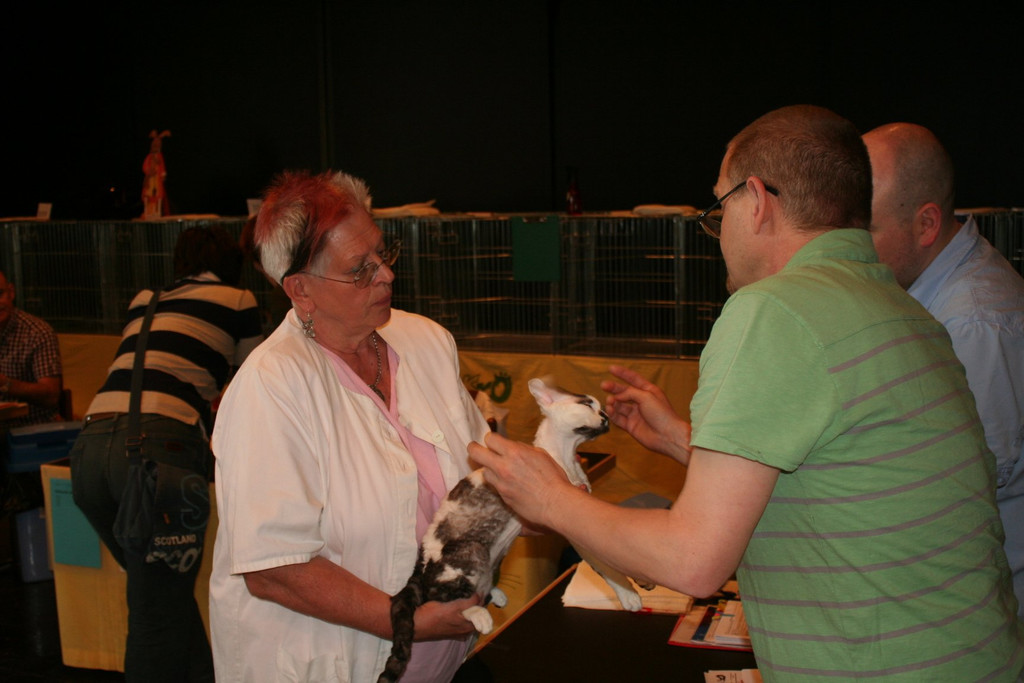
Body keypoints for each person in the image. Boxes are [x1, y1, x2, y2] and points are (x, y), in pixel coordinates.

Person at [470, 105, 1024, 680]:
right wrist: (681, 439)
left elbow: (692, 560)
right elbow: (835, 476)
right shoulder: (903, 308)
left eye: (720, 206)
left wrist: (551, 497)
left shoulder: (773, 308)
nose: (718, 233)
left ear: (756, 200)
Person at [208, 170, 491, 683]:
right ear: (301, 289)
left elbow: (483, 468)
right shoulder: (271, 386)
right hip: (329, 662)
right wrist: (404, 621)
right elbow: (273, 569)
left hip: (438, 662)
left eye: (382, 253)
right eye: (360, 269)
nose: (386, 275)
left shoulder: (426, 342)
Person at [69, 225, 263, 682]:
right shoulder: (239, 301)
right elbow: (252, 384)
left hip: (90, 449)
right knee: (156, 612)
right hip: (163, 451)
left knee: (164, 594)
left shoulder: (145, 298)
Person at [863, 122, 1024, 619]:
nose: (850, 248)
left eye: (866, 230)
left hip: (981, 614)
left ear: (927, 224)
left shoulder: (975, 325)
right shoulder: (926, 293)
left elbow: (958, 491)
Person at [0, 268, 63, 438]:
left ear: (11, 292)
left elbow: (51, 395)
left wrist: (5, 384)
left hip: (31, 433)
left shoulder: (37, 333)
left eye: (0, 294)